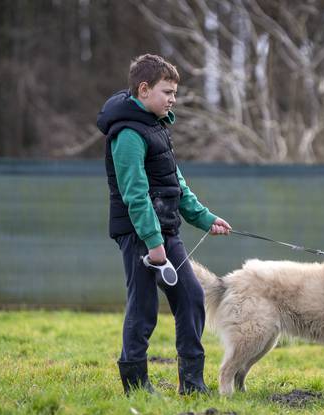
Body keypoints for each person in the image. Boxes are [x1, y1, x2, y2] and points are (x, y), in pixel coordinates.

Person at [96, 54, 232, 396]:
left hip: (166, 231)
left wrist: (204, 218)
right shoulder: (127, 134)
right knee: (142, 310)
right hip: (140, 234)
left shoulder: (157, 126)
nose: (173, 99)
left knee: (192, 299)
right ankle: (137, 385)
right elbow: (135, 194)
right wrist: (153, 245)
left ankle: (193, 383)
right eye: (167, 91)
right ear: (144, 89)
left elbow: (176, 183)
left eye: (174, 92)